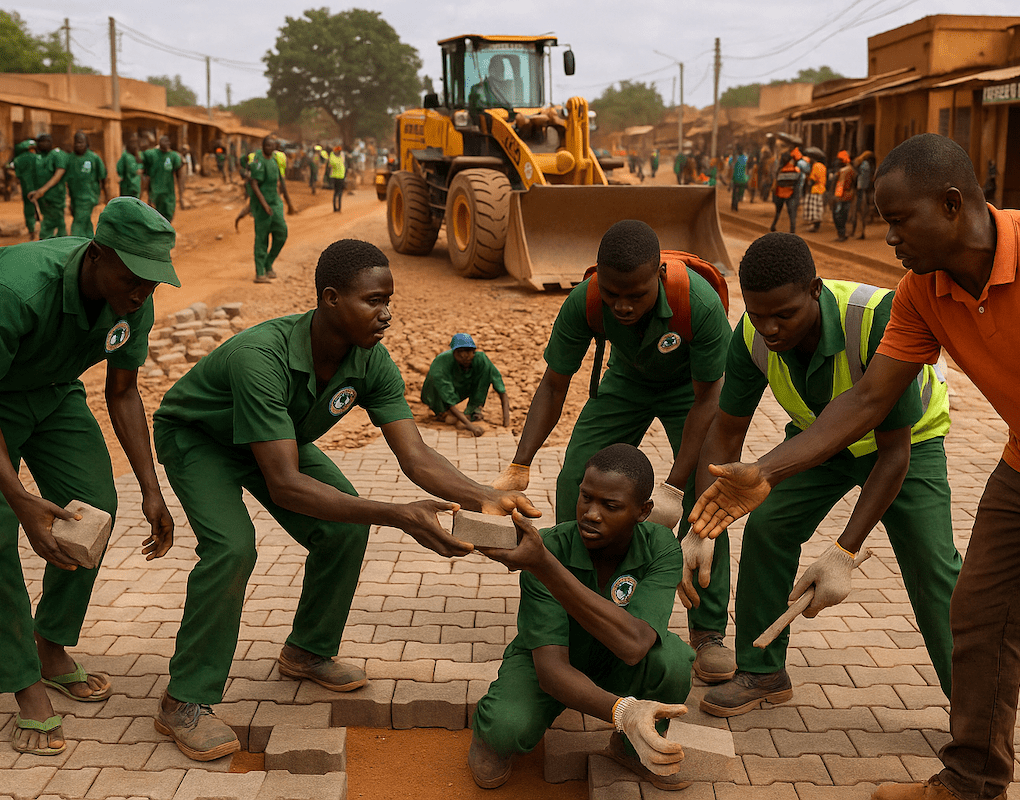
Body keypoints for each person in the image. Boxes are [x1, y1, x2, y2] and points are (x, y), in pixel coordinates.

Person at [689, 133, 1020, 800]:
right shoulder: (923, 291)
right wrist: (768, 470)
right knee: (978, 621)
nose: (888, 236)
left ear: (953, 205)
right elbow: (867, 399)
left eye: (898, 220)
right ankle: (969, 781)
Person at [151, 238, 540, 762]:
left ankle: (306, 652)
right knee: (232, 548)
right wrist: (397, 515)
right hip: (201, 439)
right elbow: (287, 484)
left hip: (275, 441)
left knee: (345, 523)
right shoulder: (260, 357)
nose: (386, 314)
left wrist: (485, 497)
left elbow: (416, 455)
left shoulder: (369, 361)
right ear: (331, 299)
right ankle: (183, 701)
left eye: (388, 301)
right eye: (373, 301)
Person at [689, 232, 959, 718]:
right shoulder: (751, 335)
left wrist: (843, 551)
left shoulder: (877, 319)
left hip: (908, 441)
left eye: (783, 315)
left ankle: (973, 708)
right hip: (820, 438)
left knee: (931, 566)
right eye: (757, 314)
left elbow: (892, 455)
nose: (769, 328)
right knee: (768, 527)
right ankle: (762, 671)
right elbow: (726, 434)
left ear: (814, 290)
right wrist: (703, 524)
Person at [491, 220, 736, 684]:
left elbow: (710, 399)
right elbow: (554, 382)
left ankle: (707, 632)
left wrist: (673, 487)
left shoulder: (696, 304)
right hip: (626, 381)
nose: (621, 305)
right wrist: (521, 462)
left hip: (691, 391)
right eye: (612, 293)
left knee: (709, 497)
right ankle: (571, 602)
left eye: (636, 295)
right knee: (573, 481)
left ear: (658, 279)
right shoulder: (583, 300)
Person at [0, 198, 178, 757]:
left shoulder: (132, 305)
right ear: (97, 255)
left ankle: (50, 643)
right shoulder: (17, 290)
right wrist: (20, 500)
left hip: (56, 394)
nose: (142, 292)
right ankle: (24, 685)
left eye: (154, 282)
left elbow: (122, 392)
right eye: (134, 277)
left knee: (92, 507)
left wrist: (150, 489)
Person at [470, 444, 694, 791]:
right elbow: (552, 671)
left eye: (611, 505)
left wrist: (546, 568)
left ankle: (631, 748)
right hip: (548, 657)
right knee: (505, 729)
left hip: (616, 656)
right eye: (586, 497)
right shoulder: (546, 548)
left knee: (674, 659)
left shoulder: (660, 546)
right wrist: (622, 712)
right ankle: (490, 737)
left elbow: (635, 645)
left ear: (642, 511)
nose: (591, 513)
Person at [420, 333, 511, 436]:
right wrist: (472, 427)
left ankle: (474, 409)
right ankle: (442, 412)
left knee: (484, 372)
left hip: (459, 387)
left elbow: (501, 390)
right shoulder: (442, 363)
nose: (464, 356)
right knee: (450, 417)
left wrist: (506, 423)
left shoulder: (481, 360)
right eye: (460, 352)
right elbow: (448, 398)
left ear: (474, 351)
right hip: (435, 394)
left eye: (468, 351)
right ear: (453, 353)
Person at [247, 135, 296, 283]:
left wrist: (288, 203)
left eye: (272, 145)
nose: (270, 148)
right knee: (262, 238)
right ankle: (260, 271)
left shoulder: (276, 159)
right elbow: (254, 184)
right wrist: (264, 205)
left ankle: (269, 263)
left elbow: (281, 181)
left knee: (281, 233)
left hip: (275, 202)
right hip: (262, 205)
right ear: (263, 146)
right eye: (267, 145)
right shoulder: (258, 161)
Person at [65, 132, 109, 238]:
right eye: (76, 142)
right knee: (84, 221)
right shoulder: (69, 158)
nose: (78, 145)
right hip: (75, 196)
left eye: (81, 142)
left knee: (78, 222)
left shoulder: (94, 157)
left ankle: (75, 243)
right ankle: (89, 240)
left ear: (87, 143)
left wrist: (105, 194)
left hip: (88, 195)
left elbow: (102, 177)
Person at [28, 134, 69, 240]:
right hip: (44, 198)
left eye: (46, 141)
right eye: (40, 142)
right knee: (54, 222)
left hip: (55, 197)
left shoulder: (58, 154)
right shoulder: (40, 157)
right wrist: (36, 191)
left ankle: (49, 243)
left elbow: (59, 174)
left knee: (52, 223)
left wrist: (43, 190)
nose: (43, 144)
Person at [141, 135, 183, 222]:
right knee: (154, 216)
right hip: (154, 191)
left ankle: (166, 233)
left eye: (168, 142)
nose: (166, 144)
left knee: (169, 213)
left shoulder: (173, 156)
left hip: (168, 191)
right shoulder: (151, 154)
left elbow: (179, 175)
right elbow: (144, 171)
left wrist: (181, 195)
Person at [769, 148, 807, 234]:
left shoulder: (779, 170)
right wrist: (797, 197)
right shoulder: (795, 169)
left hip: (779, 194)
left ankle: (773, 225)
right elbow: (797, 184)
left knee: (778, 212)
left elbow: (777, 182)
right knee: (792, 214)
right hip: (791, 194)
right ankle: (792, 231)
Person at [12, 139, 40, 240]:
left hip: (26, 188)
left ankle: (31, 229)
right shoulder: (39, 158)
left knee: (28, 208)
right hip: (40, 188)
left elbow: (16, 175)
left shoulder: (17, 160)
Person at [850, 150, 874, 240]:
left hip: (858, 190)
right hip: (862, 191)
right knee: (862, 213)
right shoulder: (865, 165)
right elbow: (863, 180)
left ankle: (855, 231)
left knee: (857, 212)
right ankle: (860, 232)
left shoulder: (859, 164)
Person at [831, 151, 856, 241]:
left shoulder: (843, 171)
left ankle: (842, 234)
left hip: (842, 195)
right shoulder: (851, 170)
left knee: (839, 216)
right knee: (843, 215)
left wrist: (836, 196)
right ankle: (843, 233)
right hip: (847, 195)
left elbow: (840, 185)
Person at [803, 156, 827, 233]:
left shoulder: (815, 166)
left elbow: (813, 179)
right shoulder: (823, 166)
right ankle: (816, 226)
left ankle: (815, 226)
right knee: (819, 208)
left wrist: (808, 178)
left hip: (815, 189)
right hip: (822, 188)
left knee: (814, 209)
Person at [328, 146, 347, 212]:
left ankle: (335, 208)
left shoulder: (332, 155)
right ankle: (338, 208)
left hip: (335, 176)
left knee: (336, 192)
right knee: (339, 192)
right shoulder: (341, 155)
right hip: (340, 176)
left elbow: (331, 164)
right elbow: (342, 162)